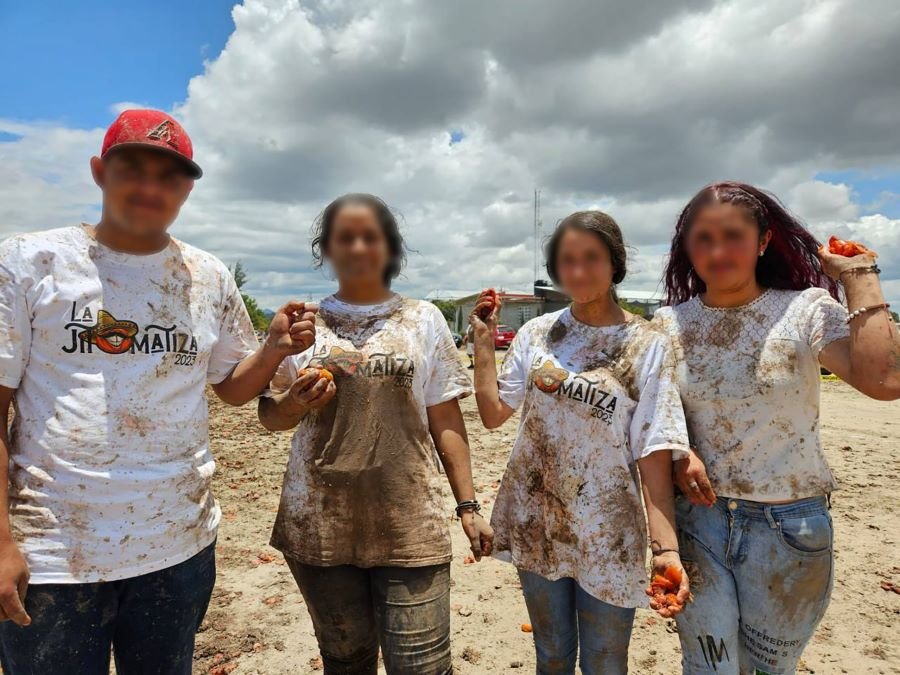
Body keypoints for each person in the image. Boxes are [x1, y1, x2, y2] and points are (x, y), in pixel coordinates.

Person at [0, 109, 317, 675]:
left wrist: (272, 350)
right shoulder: (28, 262)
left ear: (188, 189)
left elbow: (233, 390)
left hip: (178, 544)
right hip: (53, 554)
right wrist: (1, 543)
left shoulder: (207, 275)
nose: (151, 188)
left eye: (169, 176)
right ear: (100, 171)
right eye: (134, 169)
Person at [654, 181, 900, 675]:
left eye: (732, 235)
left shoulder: (806, 310)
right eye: (703, 238)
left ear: (763, 241)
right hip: (699, 520)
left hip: (789, 529)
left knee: (766, 671)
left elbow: (885, 380)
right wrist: (680, 449)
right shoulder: (666, 325)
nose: (718, 250)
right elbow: (653, 420)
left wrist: (860, 276)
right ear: (687, 248)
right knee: (708, 668)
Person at [258, 193, 493, 675]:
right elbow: (270, 417)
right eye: (345, 237)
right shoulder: (305, 325)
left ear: (390, 248)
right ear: (326, 249)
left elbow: (445, 420)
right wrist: (297, 401)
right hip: (319, 525)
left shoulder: (422, 319)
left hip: (410, 523)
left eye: (372, 236)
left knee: (422, 666)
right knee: (346, 662)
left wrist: (468, 507)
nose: (359, 246)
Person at [470, 211, 692, 675]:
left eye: (591, 257)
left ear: (615, 263)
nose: (578, 270)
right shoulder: (537, 333)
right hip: (537, 516)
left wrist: (664, 547)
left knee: (606, 660)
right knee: (550, 654)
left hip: (609, 528)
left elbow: (653, 447)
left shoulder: (648, 343)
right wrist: (484, 345)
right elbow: (493, 415)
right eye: (566, 260)